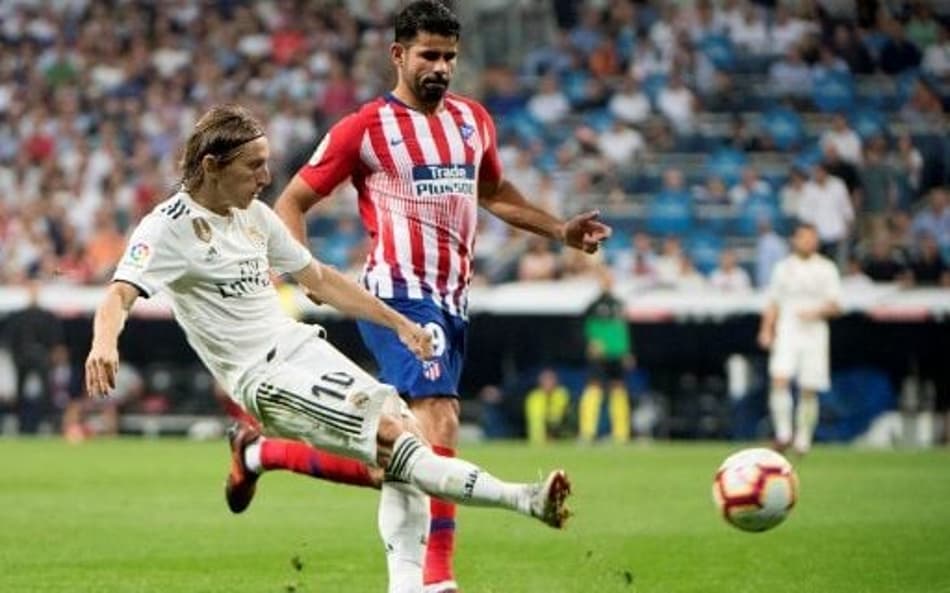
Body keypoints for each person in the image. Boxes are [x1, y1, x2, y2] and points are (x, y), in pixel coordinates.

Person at [84, 104, 573, 593]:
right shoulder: (167, 227)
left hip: (301, 348)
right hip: (262, 377)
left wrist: (399, 323)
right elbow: (117, 295)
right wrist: (104, 343)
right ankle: (526, 499)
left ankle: (409, 584)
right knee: (394, 440)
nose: (266, 177)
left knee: (406, 440)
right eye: (254, 166)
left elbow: (318, 278)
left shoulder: (254, 217)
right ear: (212, 166)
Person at [267, 4, 609, 592]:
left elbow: (495, 192)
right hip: (397, 298)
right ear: (398, 55)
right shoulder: (365, 127)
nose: (441, 67)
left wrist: (560, 230)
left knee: (399, 458)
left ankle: (262, 454)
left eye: (449, 56)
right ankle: (437, 579)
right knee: (440, 419)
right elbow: (291, 201)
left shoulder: (473, 120)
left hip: (453, 303)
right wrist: (304, 272)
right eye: (429, 55)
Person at [757, 223, 842, 455]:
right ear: (795, 240)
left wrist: (816, 312)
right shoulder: (783, 268)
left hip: (814, 333)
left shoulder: (826, 268)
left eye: (812, 238)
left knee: (808, 388)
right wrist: (766, 329)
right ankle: (783, 434)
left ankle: (803, 438)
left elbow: (836, 305)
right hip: (788, 330)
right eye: (804, 237)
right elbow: (773, 302)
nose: (808, 242)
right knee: (780, 378)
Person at [2, 280, 66, 434]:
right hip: (22, 356)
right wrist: (15, 353)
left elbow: (55, 340)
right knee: (20, 391)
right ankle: (19, 422)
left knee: (46, 391)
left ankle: (46, 422)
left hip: (41, 356)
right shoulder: (18, 316)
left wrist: (52, 353)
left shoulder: (46, 316)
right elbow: (8, 338)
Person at [578, 270, 633, 444]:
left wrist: (626, 351)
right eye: (604, 279)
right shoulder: (594, 305)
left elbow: (622, 329)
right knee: (594, 388)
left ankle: (621, 434)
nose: (607, 282)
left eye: (610, 279)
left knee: (618, 389)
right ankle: (587, 432)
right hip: (600, 354)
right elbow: (584, 326)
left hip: (616, 353)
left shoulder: (619, 304)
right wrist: (591, 342)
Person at [524, 368, 572, 445]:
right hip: (540, 437)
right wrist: (543, 439)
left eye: (551, 379)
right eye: (546, 380)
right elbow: (536, 422)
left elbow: (560, 416)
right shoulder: (534, 397)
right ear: (540, 382)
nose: (549, 383)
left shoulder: (562, 394)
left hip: (560, 433)